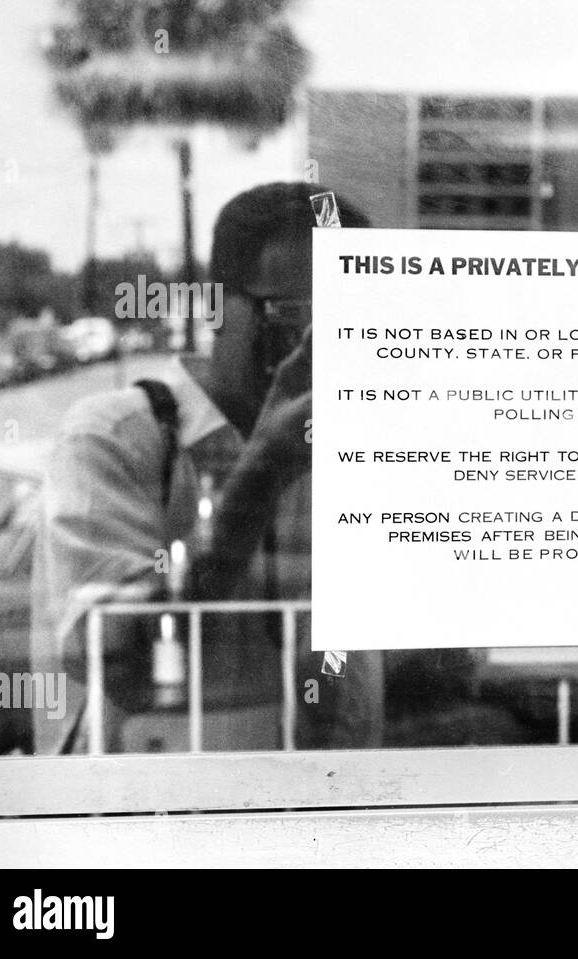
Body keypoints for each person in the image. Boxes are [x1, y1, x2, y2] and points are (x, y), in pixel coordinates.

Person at [30, 182, 382, 753]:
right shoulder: (116, 440)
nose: (330, 341)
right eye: (299, 317)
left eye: (356, 317)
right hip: (159, 813)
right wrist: (261, 472)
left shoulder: (366, 447)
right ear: (219, 307)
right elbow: (118, 657)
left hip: (337, 806)